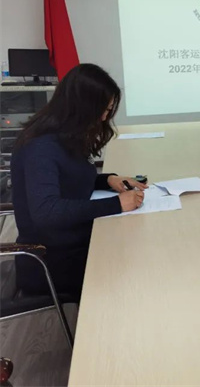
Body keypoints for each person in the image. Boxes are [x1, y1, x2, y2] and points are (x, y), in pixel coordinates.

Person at [11, 64, 146, 301]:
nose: (105, 117)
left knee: (137, 243)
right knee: (137, 266)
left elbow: (70, 180)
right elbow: (47, 211)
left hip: (72, 241)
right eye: (104, 110)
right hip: (52, 260)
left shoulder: (63, 135)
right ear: (83, 107)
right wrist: (116, 204)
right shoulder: (41, 147)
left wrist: (108, 180)